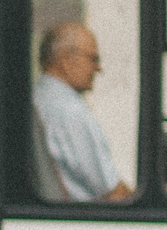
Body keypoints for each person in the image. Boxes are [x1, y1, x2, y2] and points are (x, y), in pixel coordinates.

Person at [33, 22, 132, 201]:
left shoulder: (38, 97)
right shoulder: (69, 110)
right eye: (93, 59)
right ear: (66, 61)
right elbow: (111, 193)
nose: (98, 68)